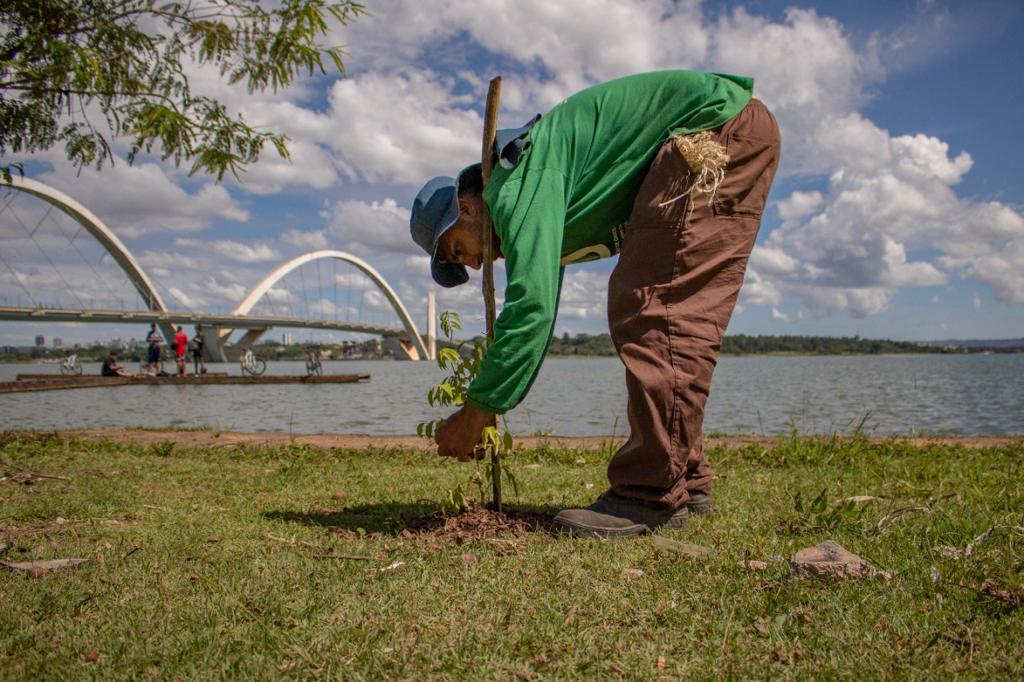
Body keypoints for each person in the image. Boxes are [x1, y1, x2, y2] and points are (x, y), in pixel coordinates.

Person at [409, 70, 780, 538]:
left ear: (466, 209)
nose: (476, 264)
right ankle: (685, 479)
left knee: (653, 308)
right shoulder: (532, 188)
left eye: (459, 250)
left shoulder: (515, 185)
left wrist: (477, 410)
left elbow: (532, 309)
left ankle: (648, 494)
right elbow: (542, 305)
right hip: (728, 128)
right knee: (660, 307)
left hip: (711, 133)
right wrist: (490, 402)